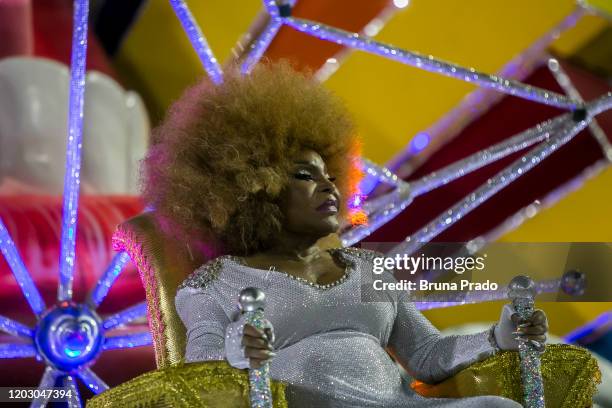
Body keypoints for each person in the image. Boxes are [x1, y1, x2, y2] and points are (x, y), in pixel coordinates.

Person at [141, 61, 548, 407]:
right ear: (252, 188)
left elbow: (427, 354)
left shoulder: (367, 267)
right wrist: (236, 350)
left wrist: (499, 336)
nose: (330, 187)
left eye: (330, 175)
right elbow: (200, 373)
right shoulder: (216, 283)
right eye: (305, 175)